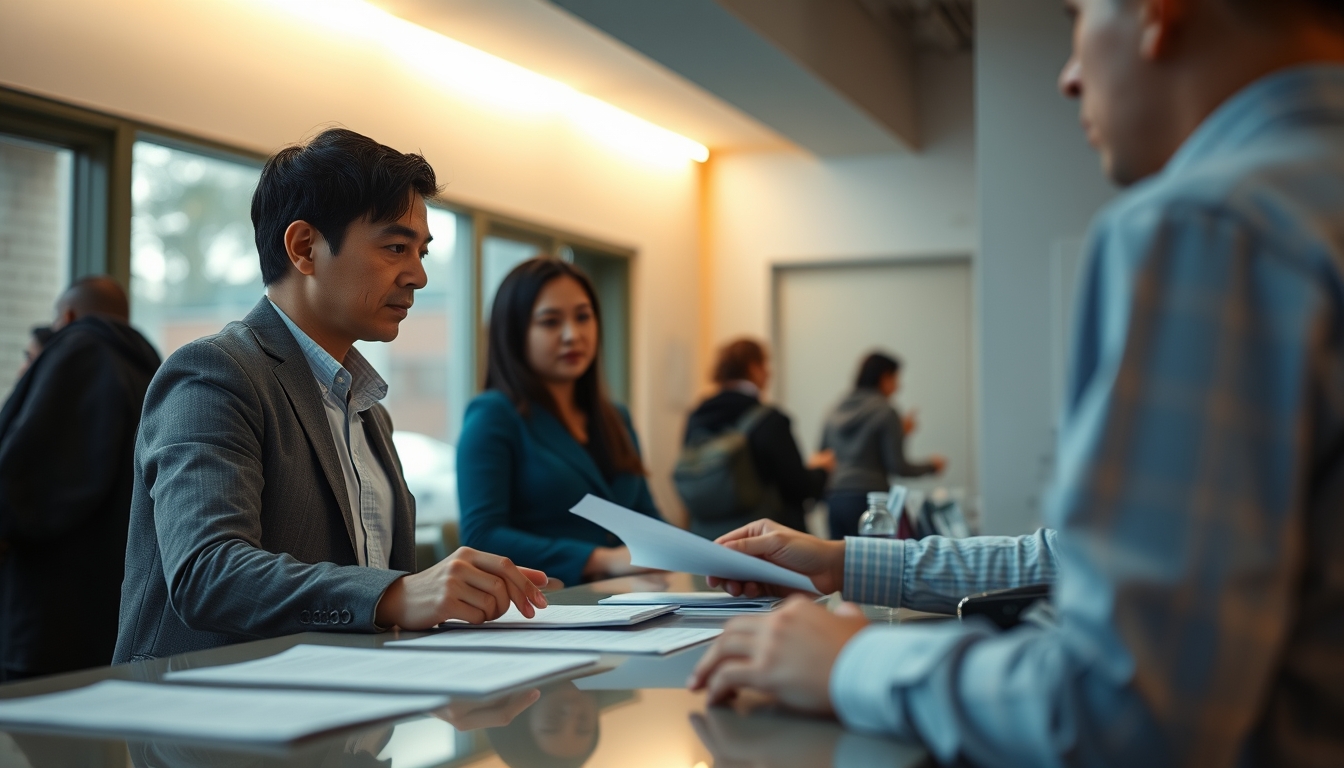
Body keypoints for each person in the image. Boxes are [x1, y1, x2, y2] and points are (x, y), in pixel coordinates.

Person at [689, 1, 1344, 765]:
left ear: (1157, 12)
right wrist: (843, 563)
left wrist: (852, 663)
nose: (1068, 78)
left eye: (1077, 15)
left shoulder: (1206, 226)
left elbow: (1124, 715)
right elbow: (1074, 558)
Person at [114, 129, 549, 664]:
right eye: (395, 248)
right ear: (304, 248)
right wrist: (396, 594)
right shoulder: (213, 373)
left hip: (341, 724)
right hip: (202, 729)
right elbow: (208, 572)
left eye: (421, 251)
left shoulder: (369, 411)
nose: (417, 275)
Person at [457, 258, 660, 588]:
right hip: (550, 605)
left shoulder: (615, 417)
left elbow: (648, 518)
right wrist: (600, 559)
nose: (572, 335)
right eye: (550, 322)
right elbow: (482, 535)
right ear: (516, 333)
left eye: (583, 317)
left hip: (631, 599)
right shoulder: (493, 415)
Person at [0, 277, 160, 681]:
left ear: (67, 316)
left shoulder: (80, 350)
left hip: (49, 618)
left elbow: (26, 476)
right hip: (112, 611)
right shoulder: (151, 371)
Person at [678, 338, 833, 539]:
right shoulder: (769, 420)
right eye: (765, 364)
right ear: (754, 368)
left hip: (708, 541)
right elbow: (799, 488)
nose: (769, 373)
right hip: (764, 544)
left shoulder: (696, 418)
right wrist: (820, 470)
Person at [819, 352, 945, 539]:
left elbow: (822, 457)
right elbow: (897, 466)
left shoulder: (834, 409)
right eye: (896, 379)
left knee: (838, 564)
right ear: (885, 378)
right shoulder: (886, 411)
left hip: (835, 499)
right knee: (872, 565)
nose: (898, 386)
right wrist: (932, 466)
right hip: (870, 503)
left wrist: (899, 433)